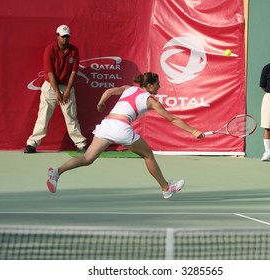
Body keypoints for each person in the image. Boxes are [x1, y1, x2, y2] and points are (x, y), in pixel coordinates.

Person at [47, 72, 205, 199]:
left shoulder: (128, 88)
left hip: (106, 125)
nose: (159, 87)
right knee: (148, 155)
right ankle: (166, 188)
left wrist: (101, 103)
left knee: (87, 159)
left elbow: (109, 91)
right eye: (157, 84)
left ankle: (57, 171)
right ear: (149, 86)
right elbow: (172, 118)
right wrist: (193, 131)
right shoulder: (151, 100)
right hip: (121, 128)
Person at [24, 24, 87, 153]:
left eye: (67, 36)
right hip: (50, 87)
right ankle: (32, 144)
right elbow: (49, 72)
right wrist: (57, 92)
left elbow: (74, 72)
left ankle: (80, 144)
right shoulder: (49, 50)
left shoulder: (74, 51)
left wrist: (68, 90)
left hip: (67, 87)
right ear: (57, 36)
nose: (65, 39)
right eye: (63, 36)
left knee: (71, 116)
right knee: (43, 115)